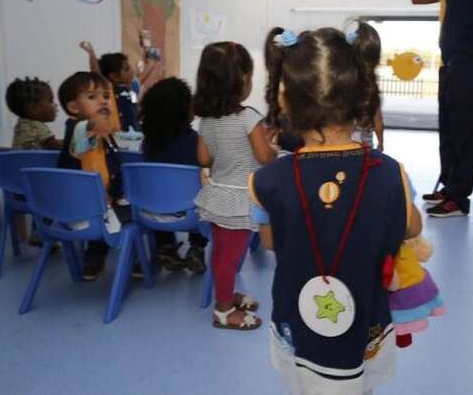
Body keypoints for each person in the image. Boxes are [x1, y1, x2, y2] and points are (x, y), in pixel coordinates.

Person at [252, 23, 422, 395]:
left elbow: (269, 243)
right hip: (365, 312)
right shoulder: (392, 173)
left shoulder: (267, 180)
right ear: (362, 95)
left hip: (299, 313)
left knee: (305, 381)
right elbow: (410, 229)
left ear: (285, 101)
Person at [388, 0, 473, 218]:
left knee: (464, 131)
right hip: (450, 66)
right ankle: (449, 188)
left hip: (470, 65)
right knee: (448, 131)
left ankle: (459, 200)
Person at [193, 41, 277, 331]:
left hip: (218, 195)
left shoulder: (205, 120)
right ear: (243, 80)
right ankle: (224, 310)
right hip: (240, 198)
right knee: (230, 258)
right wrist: (273, 147)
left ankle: (227, 294)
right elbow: (265, 157)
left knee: (221, 254)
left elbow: (204, 157)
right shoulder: (248, 117)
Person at [55, 72, 126, 281]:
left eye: (105, 95)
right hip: (86, 212)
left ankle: (93, 261)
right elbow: (87, 127)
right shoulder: (79, 129)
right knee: (139, 213)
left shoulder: (99, 132)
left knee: (116, 206)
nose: (103, 100)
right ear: (74, 108)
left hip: (86, 207)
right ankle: (137, 261)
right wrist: (97, 123)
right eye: (92, 97)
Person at [139, 77, 209, 273]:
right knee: (206, 196)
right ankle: (196, 247)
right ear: (185, 110)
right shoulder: (197, 141)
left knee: (160, 195)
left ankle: (165, 246)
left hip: (151, 214)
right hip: (190, 215)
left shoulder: (148, 143)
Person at [6, 77, 62, 150]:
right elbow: (57, 148)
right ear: (34, 109)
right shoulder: (38, 127)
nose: (55, 105)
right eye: (50, 101)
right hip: (37, 161)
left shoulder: (20, 125)